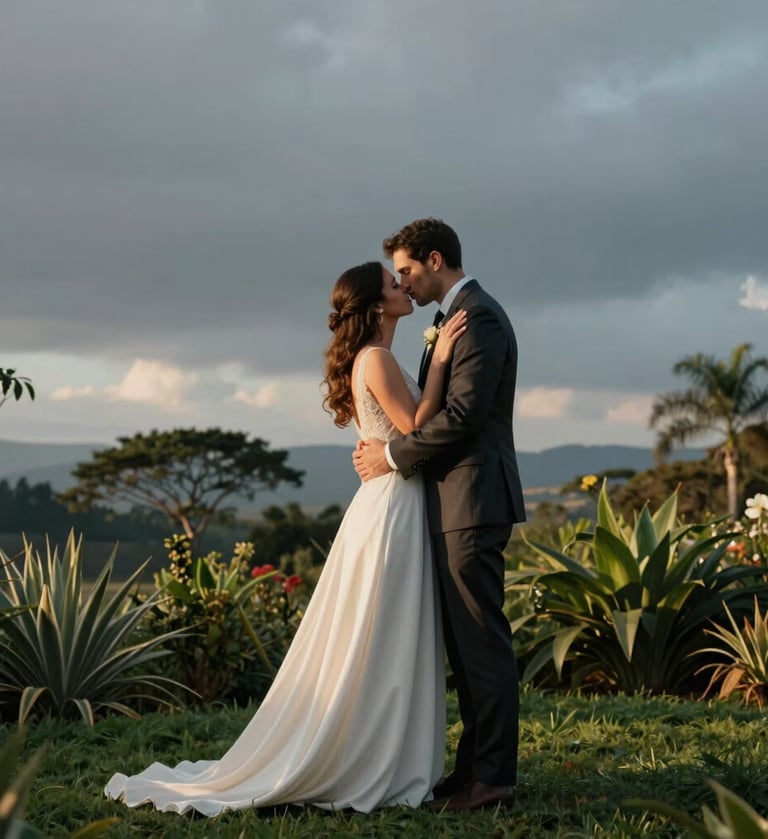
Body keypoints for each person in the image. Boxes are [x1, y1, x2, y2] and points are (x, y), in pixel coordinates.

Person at [104, 260, 467, 816]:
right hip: (392, 506)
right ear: (375, 305)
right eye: (394, 285)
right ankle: (375, 757)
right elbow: (417, 428)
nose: (404, 288)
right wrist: (441, 361)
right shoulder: (377, 358)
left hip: (392, 498)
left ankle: (390, 753)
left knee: (388, 629)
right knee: (383, 629)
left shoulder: (377, 358)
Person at [353, 218, 526, 811]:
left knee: (482, 643)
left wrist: (393, 455)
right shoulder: (445, 322)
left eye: (405, 271)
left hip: (472, 500)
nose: (403, 281)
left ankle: (494, 781)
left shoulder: (476, 316)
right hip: (450, 500)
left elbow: (463, 418)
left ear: (433, 259)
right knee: (465, 648)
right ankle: (470, 770)